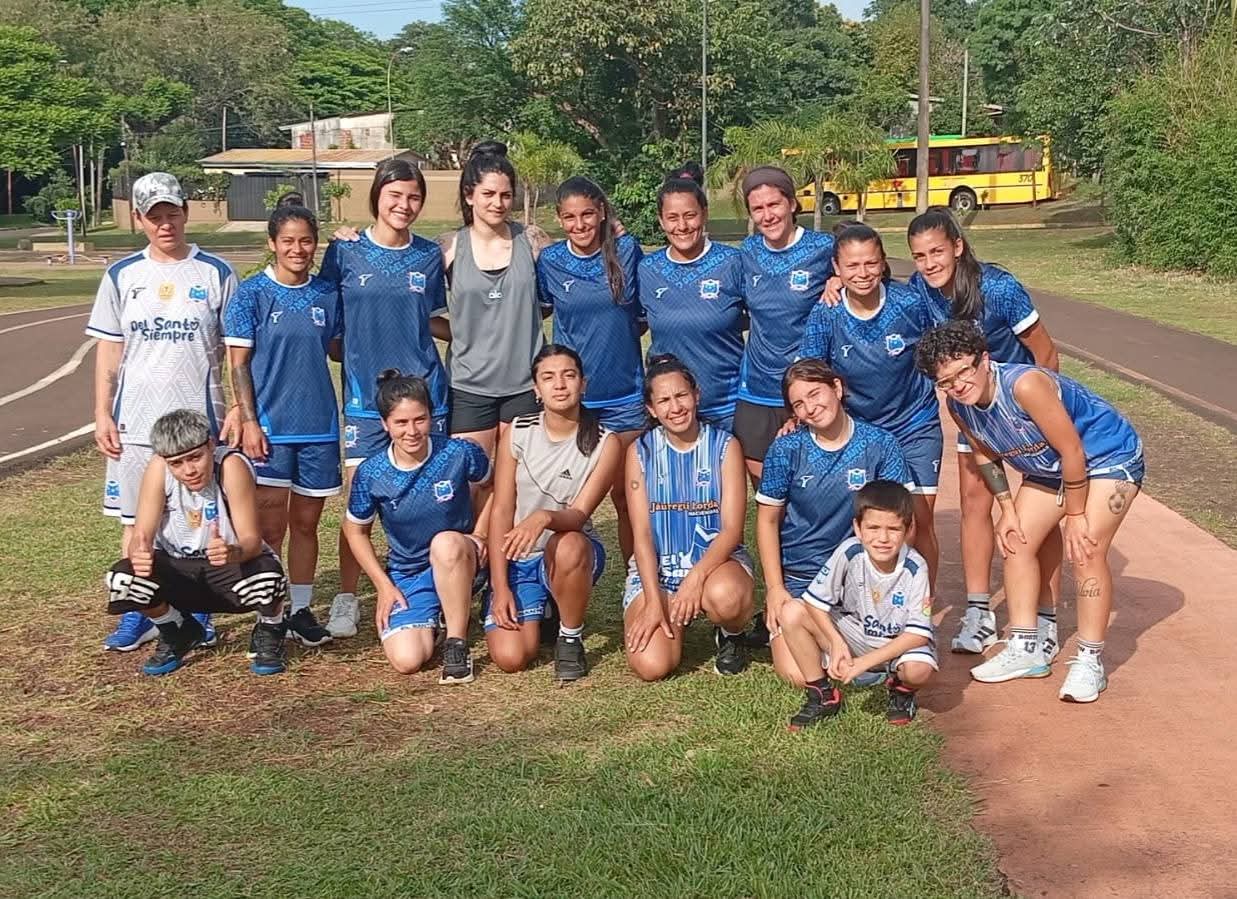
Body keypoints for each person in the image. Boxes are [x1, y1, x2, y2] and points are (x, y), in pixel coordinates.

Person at [916, 321, 1143, 703]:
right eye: (946, 381)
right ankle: (1026, 647)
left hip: (1106, 456)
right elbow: (985, 452)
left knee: (1085, 547)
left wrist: (1074, 516)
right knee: (1016, 539)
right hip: (1050, 467)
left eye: (964, 371)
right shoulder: (959, 406)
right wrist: (1007, 508)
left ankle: (1090, 660)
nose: (958, 385)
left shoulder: (1025, 386)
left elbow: (1073, 451)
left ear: (984, 360)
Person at [88, 172, 234, 653]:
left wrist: (238, 408)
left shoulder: (215, 273)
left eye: (172, 213)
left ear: (186, 212)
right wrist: (103, 413)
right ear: (139, 219)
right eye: (154, 216)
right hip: (136, 424)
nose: (165, 223)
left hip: (197, 423)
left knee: (202, 520)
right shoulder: (122, 276)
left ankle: (202, 609)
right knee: (136, 524)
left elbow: (236, 353)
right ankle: (141, 610)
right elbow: (110, 350)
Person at [907, 208, 1062, 657]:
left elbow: (1046, 353)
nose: (929, 263)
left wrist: (1039, 414)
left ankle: (1046, 616)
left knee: (1042, 511)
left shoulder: (999, 288)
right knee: (975, 500)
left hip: (1023, 408)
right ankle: (979, 613)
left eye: (937, 251)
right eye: (919, 256)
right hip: (975, 411)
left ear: (957, 246)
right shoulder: (921, 291)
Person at [317, 158, 451, 640]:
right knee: (360, 502)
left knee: (429, 501)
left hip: (424, 398)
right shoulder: (345, 252)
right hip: (364, 401)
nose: (405, 205)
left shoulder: (430, 256)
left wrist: (477, 336)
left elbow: (432, 319)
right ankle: (349, 598)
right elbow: (330, 320)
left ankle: (434, 594)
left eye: (414, 197)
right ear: (376, 197)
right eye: (395, 195)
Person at [223, 201, 341, 648]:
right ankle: (269, 614)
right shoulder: (251, 294)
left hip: (320, 429)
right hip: (270, 430)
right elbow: (239, 365)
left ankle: (302, 609)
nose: (298, 249)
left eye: (306, 240)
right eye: (288, 241)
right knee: (271, 530)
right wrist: (249, 420)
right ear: (272, 244)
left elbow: (336, 349)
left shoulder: (327, 294)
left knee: (307, 525)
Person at [756, 359, 916, 688]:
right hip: (803, 579)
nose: (811, 408)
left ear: (838, 388)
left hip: (861, 581)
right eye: (799, 404)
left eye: (815, 394)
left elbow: (903, 519)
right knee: (796, 675)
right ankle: (850, 656)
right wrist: (775, 589)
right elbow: (767, 520)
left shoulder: (880, 444)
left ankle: (851, 654)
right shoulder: (786, 448)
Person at [800, 223, 942, 589]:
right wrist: (799, 418)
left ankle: (920, 612)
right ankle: (868, 605)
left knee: (917, 520)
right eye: (852, 266)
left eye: (870, 264)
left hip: (915, 424)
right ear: (836, 268)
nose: (861, 274)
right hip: (862, 432)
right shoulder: (825, 313)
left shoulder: (909, 302)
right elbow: (810, 374)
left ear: (882, 264)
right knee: (871, 523)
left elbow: (939, 350)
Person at [104, 410, 289, 677]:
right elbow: (140, 535)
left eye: (195, 458)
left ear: (211, 445)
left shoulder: (230, 466)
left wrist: (232, 551)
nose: (188, 470)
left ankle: (270, 629)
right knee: (122, 578)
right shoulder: (158, 468)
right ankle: (176, 630)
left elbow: (252, 540)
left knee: (268, 577)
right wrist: (139, 553)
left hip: (228, 570)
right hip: (179, 569)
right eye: (177, 463)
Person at [342, 371, 491, 683]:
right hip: (409, 573)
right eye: (401, 423)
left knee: (446, 544)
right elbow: (355, 531)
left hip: (460, 557)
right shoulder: (371, 474)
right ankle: (435, 614)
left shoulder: (458, 452)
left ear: (431, 416)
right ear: (385, 424)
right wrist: (383, 585)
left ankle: (457, 643)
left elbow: (494, 487)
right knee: (407, 660)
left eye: (419, 420)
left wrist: (479, 534)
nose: (412, 431)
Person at [484, 345, 620, 682]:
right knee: (512, 657)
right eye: (548, 377)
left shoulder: (606, 442)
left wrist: (544, 517)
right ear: (536, 389)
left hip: (570, 550)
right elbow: (501, 510)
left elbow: (577, 515)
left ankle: (569, 636)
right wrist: (500, 587)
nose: (559, 385)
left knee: (570, 543)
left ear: (583, 384)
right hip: (519, 556)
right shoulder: (517, 430)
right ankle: (540, 609)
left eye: (568, 375)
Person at [623, 354, 755, 681]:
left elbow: (731, 530)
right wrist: (654, 601)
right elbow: (640, 534)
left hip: (714, 566)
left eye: (681, 395)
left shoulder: (725, 446)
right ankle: (663, 609)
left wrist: (695, 578)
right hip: (661, 572)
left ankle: (731, 635)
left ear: (696, 395)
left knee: (725, 598)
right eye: (664, 400)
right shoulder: (640, 451)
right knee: (651, 666)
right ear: (652, 409)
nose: (676, 407)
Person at [537, 176, 645, 561]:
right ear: (559, 219)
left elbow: (641, 314)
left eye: (587, 214)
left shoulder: (627, 250)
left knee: (625, 495)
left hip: (624, 397)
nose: (579, 225)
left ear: (601, 211)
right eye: (569, 217)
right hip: (573, 401)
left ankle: (637, 577)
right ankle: (559, 575)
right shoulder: (550, 261)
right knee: (565, 493)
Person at [779, 480, 935, 730]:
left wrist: (864, 662)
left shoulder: (916, 567)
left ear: (908, 529)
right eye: (873, 527)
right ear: (858, 529)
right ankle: (822, 694)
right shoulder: (849, 551)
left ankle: (900, 690)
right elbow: (814, 603)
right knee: (791, 611)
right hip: (854, 633)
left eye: (893, 529)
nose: (882, 538)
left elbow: (917, 635)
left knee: (919, 670)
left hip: (894, 644)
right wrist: (835, 641)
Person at [439, 140, 553, 455]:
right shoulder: (447, 248)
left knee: (518, 484)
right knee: (473, 480)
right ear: (469, 195)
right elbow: (415, 307)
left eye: (505, 195)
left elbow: (561, 290)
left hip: (526, 385)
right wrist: (460, 331)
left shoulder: (533, 240)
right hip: (468, 386)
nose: (498, 203)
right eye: (488, 194)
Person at [734, 166, 835, 481]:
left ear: (791, 203)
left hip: (808, 389)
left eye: (773, 204)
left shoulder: (822, 247)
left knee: (809, 487)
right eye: (758, 209)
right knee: (766, 492)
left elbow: (867, 264)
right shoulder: (748, 251)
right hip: (757, 389)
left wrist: (839, 279)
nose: (767, 215)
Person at [638, 163, 746, 433]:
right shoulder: (647, 269)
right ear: (661, 220)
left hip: (728, 406)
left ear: (704, 214)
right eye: (672, 218)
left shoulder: (732, 262)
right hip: (673, 412)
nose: (682, 226)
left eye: (690, 215)